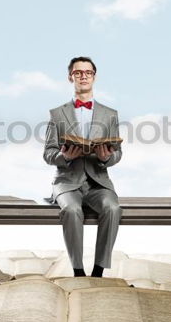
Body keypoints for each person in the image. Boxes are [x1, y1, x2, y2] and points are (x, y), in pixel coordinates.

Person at [43, 56, 123, 277]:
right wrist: (64, 156)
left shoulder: (110, 114)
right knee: (71, 209)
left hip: (98, 181)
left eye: (88, 72)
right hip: (67, 182)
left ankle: (98, 272)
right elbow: (48, 153)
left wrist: (106, 157)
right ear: (71, 77)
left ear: (94, 77)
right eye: (78, 73)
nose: (83, 76)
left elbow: (118, 153)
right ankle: (78, 272)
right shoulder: (57, 114)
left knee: (113, 208)